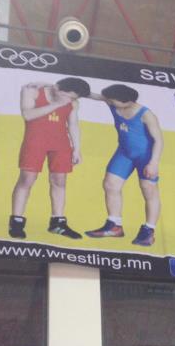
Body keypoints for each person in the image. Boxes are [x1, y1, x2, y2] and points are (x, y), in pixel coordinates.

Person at [9, 77, 91, 240]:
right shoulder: (31, 91)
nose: (70, 100)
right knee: (27, 179)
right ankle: (16, 222)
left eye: (73, 98)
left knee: (60, 181)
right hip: (35, 141)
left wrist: (77, 149)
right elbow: (28, 115)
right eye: (68, 96)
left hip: (60, 143)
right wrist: (56, 104)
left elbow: (73, 124)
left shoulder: (73, 102)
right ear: (57, 88)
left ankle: (57, 223)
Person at [86, 84, 163, 246]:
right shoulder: (114, 103)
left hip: (145, 156)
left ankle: (148, 231)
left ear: (127, 101)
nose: (109, 103)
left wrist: (153, 163)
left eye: (112, 101)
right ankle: (114, 226)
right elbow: (90, 94)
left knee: (149, 191)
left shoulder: (146, 115)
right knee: (110, 185)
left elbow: (159, 140)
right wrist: (60, 87)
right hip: (124, 153)